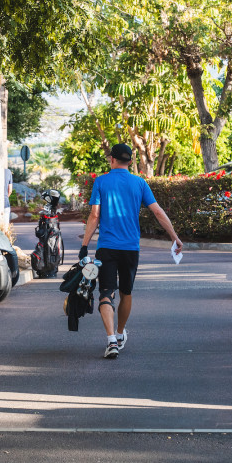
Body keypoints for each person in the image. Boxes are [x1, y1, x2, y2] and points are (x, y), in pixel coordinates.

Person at [79, 144, 183, 359]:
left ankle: (110, 341)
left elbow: (94, 216)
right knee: (126, 292)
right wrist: (174, 236)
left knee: (106, 293)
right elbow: (157, 211)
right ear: (129, 161)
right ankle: (119, 333)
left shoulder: (101, 181)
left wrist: (84, 246)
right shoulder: (139, 182)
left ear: (112, 160)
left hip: (106, 247)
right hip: (130, 249)